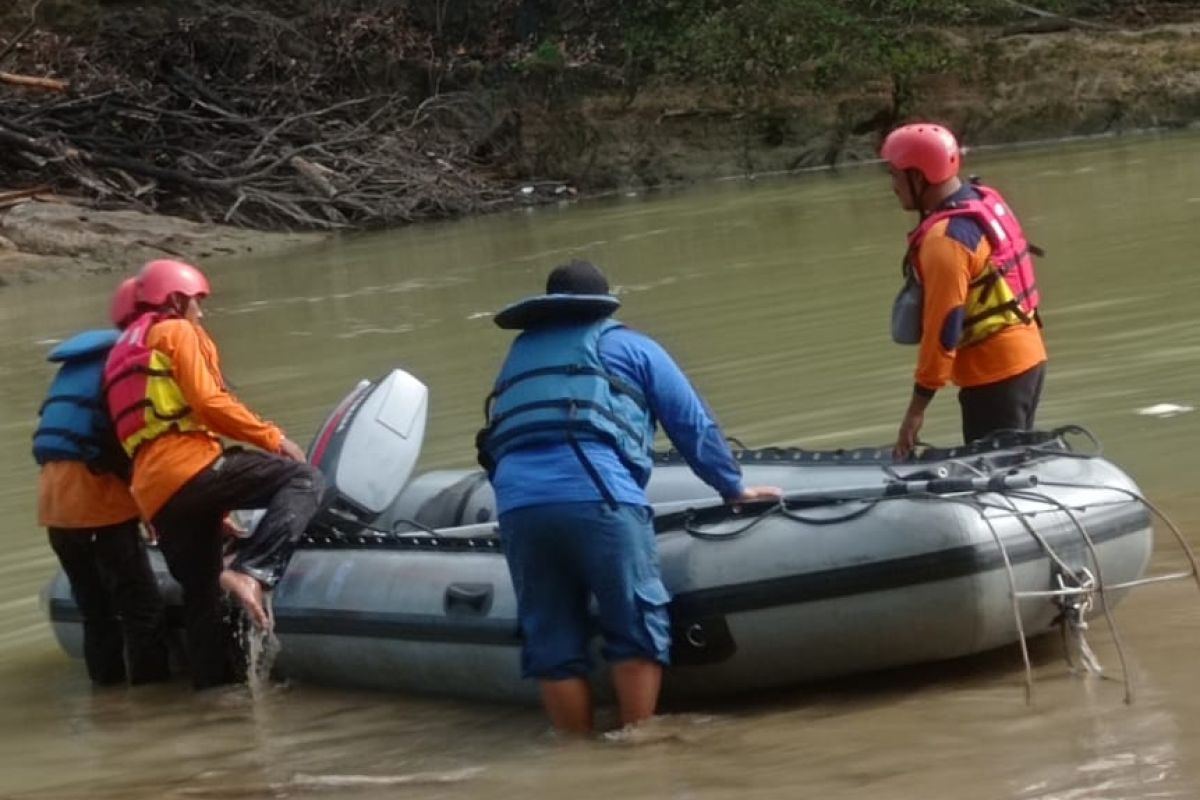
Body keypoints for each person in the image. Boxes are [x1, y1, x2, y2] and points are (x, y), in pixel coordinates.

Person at [476, 260, 780, 733]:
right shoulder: (631, 346)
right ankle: (638, 749)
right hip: (598, 495)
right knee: (636, 626)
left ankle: (575, 757)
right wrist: (733, 487)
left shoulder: (522, 352)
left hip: (518, 504)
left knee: (552, 642)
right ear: (605, 305)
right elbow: (691, 425)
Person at [102, 259, 324, 689]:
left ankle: (216, 703)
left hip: (158, 495)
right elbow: (208, 404)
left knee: (201, 599)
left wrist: (212, 507)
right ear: (175, 300)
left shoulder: (119, 356)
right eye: (196, 303)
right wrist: (273, 439)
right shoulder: (175, 332)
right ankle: (254, 571)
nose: (200, 313)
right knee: (303, 479)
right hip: (191, 468)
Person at [881, 122, 1048, 459]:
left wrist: (916, 410)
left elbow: (944, 330)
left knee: (995, 478)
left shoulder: (945, 241)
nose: (893, 186)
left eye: (896, 176)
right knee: (1008, 466)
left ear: (919, 176)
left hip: (996, 376)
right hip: (1028, 358)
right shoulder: (982, 199)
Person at [33, 277, 170, 686]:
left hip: (56, 508)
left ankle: (107, 699)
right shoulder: (128, 362)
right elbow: (122, 444)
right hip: (99, 505)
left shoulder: (80, 363)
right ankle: (153, 703)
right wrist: (155, 507)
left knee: (95, 610)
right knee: (142, 606)